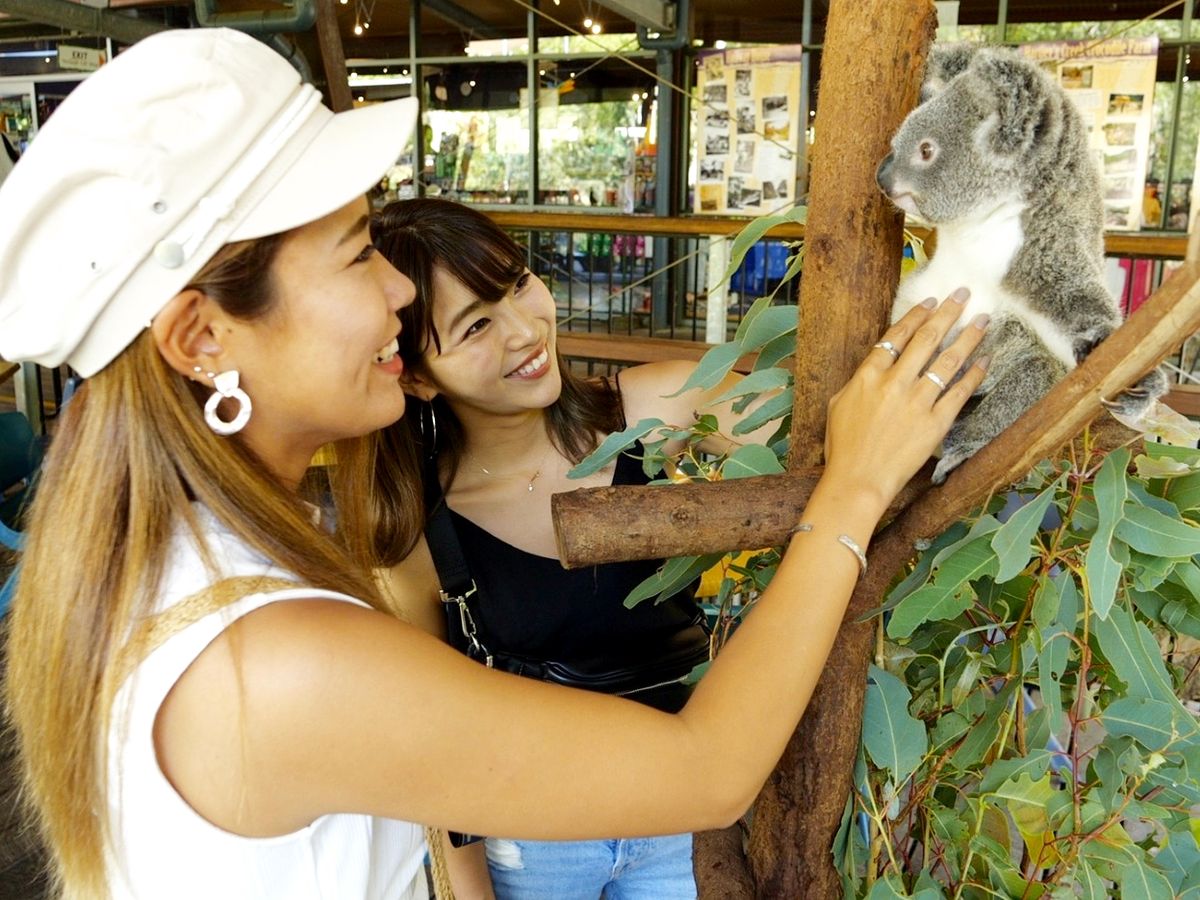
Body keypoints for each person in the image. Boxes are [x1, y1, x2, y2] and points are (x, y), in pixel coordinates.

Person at [0, 27, 991, 900]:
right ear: (202, 337)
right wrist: (854, 492)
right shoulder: (272, 661)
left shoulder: (174, 558)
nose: (395, 288)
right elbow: (709, 769)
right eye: (355, 254)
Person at [370, 197, 799, 899]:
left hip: (687, 811)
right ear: (415, 375)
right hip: (531, 840)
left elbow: (818, 437)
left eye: (517, 284)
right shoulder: (416, 534)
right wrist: (470, 891)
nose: (522, 330)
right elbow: (434, 751)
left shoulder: (658, 409)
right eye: (475, 325)